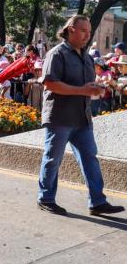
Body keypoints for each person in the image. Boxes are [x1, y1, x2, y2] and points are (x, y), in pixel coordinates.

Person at [37, 15, 125, 216]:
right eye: (83, 30)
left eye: (89, 30)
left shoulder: (86, 57)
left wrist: (96, 88)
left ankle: (97, 201)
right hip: (59, 117)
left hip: (82, 118)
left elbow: (84, 86)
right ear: (70, 30)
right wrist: (83, 91)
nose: (87, 34)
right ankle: (46, 198)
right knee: (52, 159)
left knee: (90, 158)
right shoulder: (56, 54)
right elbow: (50, 83)